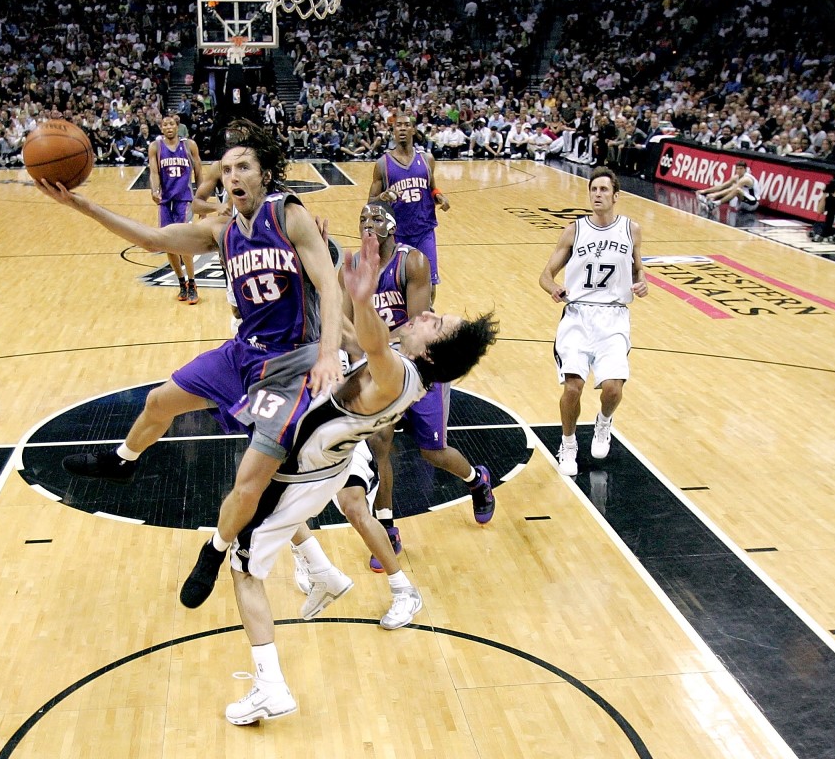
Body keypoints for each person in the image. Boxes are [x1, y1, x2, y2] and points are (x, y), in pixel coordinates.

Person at [36, 119, 344, 603]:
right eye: (226, 170)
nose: (233, 176)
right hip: (242, 353)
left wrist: (328, 355)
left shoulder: (290, 216)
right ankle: (123, 461)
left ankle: (215, 550)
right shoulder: (222, 230)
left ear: (265, 175)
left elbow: (328, 282)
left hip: (290, 366)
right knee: (159, 402)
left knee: (248, 482)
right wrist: (84, 206)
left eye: (243, 166)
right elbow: (155, 240)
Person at [219, 228, 498, 725]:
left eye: (434, 322)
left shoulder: (399, 375)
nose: (426, 313)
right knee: (266, 520)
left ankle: (271, 686)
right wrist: (325, 278)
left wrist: (365, 298)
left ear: (430, 352)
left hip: (303, 476)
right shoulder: (402, 367)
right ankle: (322, 574)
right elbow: (352, 336)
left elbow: (368, 340)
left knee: (243, 567)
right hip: (319, 467)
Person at [340, 200, 494, 572]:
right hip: (379, 362)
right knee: (380, 444)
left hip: (418, 365)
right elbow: (343, 321)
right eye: (361, 218)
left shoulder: (413, 262)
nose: (367, 224)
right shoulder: (358, 265)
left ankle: (476, 480)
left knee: (433, 452)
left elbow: (416, 329)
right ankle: (387, 526)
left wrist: (369, 337)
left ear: (391, 226)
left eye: (375, 217)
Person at [538, 166, 648, 476]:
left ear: (616, 196)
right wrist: (555, 288)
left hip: (613, 317)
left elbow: (639, 270)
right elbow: (545, 276)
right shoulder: (574, 230)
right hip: (577, 314)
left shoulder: (632, 230)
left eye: (603, 190)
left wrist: (642, 283)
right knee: (573, 386)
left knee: (612, 388)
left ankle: (603, 422)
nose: (597, 195)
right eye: (593, 190)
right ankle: (568, 443)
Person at [369, 114, 450, 303]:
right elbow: (371, 202)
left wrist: (439, 196)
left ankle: (425, 325)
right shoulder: (382, 164)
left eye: (407, 125)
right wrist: (382, 197)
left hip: (424, 231)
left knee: (429, 286)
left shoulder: (427, 159)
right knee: (397, 288)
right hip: (397, 235)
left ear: (414, 130)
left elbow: (432, 187)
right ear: (394, 131)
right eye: (399, 126)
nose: (403, 129)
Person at [148, 115, 203, 303]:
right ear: (161, 128)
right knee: (167, 244)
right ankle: (181, 282)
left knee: (184, 242)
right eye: (165, 124)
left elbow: (199, 172)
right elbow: (154, 172)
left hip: (184, 199)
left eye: (171, 123)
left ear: (177, 127)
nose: (169, 127)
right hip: (165, 201)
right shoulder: (155, 147)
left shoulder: (189, 145)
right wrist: (154, 190)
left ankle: (193, 283)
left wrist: (201, 199)